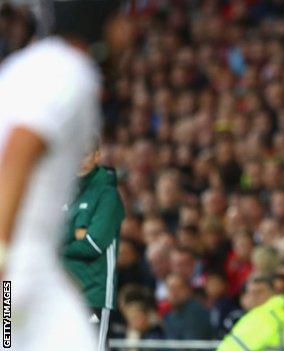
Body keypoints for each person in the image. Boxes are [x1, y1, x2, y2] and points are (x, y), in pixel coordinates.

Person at [0, 1, 130, 350]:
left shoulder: (30, 64)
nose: (127, 32)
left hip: (33, 270)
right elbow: (19, 149)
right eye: (121, 19)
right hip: (17, 264)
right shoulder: (71, 72)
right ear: (98, 21)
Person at [63, 147, 125, 351]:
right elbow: (46, 235)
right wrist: (75, 234)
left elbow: (93, 245)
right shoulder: (64, 192)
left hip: (93, 294)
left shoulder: (108, 195)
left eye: (86, 153)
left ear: (97, 155)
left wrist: (59, 245)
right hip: (64, 293)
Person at [217, 276, 284, 351]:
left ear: (272, 293)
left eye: (259, 292)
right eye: (250, 292)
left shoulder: (265, 317)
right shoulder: (262, 315)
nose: (253, 296)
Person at [162, 273, 214, 340]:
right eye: (171, 288)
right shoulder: (169, 315)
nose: (174, 293)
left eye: (178, 288)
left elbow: (191, 345)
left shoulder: (196, 312)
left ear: (187, 290)